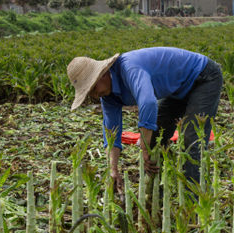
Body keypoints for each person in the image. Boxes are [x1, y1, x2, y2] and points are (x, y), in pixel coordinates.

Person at [67, 47, 223, 194]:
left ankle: (193, 201)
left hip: (203, 77)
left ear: (103, 73)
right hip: (177, 89)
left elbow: (148, 102)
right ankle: (156, 193)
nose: (94, 94)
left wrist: (144, 148)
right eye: (89, 93)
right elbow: (111, 133)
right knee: (155, 135)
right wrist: (112, 168)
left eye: (93, 87)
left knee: (192, 139)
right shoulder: (107, 97)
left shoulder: (129, 68)